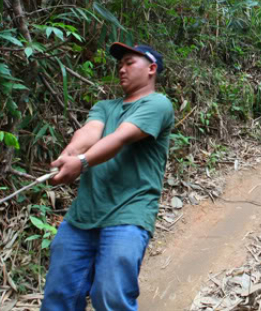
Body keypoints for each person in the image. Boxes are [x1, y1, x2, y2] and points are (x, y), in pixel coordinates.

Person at [41, 43, 174, 311]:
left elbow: (121, 137)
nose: (121, 69)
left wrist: (81, 162)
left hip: (128, 213)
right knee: (59, 296)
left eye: (129, 62)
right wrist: (67, 157)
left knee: (110, 297)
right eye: (120, 64)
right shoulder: (105, 106)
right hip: (82, 216)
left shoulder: (158, 104)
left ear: (151, 69)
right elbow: (88, 134)